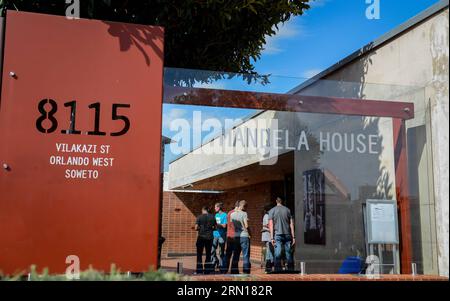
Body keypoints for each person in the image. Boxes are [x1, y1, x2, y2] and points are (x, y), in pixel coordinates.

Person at [269, 197, 295, 272]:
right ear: (282, 202)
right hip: (287, 234)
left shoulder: (272, 210)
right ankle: (291, 270)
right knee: (288, 253)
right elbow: (291, 224)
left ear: (276, 202)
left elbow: (271, 225)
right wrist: (293, 237)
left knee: (278, 253)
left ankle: (278, 270)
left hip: (278, 235)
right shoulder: (287, 210)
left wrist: (271, 238)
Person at [230, 200, 251, 274]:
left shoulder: (232, 214)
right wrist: (250, 233)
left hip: (236, 236)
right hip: (244, 235)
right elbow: (246, 225)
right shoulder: (244, 213)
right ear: (244, 206)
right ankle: (246, 270)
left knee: (236, 254)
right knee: (245, 255)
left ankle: (234, 270)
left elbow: (232, 224)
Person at [195, 206, 217, 275]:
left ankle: (199, 270)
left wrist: (200, 228)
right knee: (208, 254)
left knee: (199, 254)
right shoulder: (213, 217)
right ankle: (207, 270)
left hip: (201, 237)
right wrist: (211, 229)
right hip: (209, 238)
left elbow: (196, 228)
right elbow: (215, 227)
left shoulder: (199, 217)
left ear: (203, 210)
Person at [211, 202, 227, 273]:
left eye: (215, 207)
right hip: (215, 235)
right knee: (212, 250)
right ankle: (214, 262)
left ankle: (221, 266)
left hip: (221, 235)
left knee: (221, 251)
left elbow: (224, 226)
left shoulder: (224, 215)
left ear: (219, 207)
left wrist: (217, 224)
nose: (214, 208)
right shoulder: (216, 215)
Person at [224, 201, 240, 274]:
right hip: (236, 236)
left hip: (229, 235)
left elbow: (228, 224)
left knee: (228, 253)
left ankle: (224, 269)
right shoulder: (239, 213)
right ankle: (234, 270)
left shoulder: (229, 213)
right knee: (236, 254)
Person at [262, 204, 274, 273]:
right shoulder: (266, 216)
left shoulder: (266, 215)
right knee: (269, 250)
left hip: (267, 235)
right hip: (267, 235)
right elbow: (267, 225)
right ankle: (268, 266)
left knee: (270, 250)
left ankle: (270, 264)